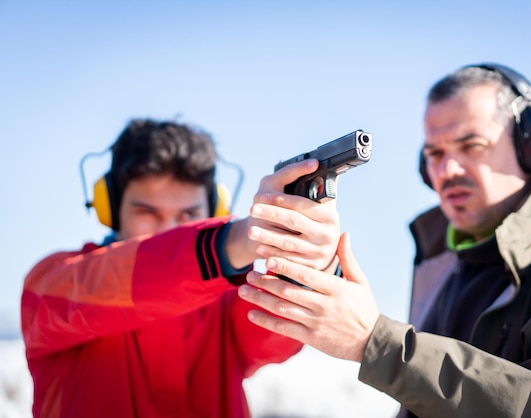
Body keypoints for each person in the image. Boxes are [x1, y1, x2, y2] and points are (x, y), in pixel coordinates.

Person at [237, 63, 531, 417]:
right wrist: (318, 264)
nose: (447, 169)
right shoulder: (448, 269)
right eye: (434, 153)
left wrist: (377, 343)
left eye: (471, 146)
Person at [21, 118, 341, 418]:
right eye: (147, 212)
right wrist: (231, 242)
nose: (169, 229)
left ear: (215, 209)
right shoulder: (53, 284)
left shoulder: (228, 299)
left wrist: (307, 260)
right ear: (111, 209)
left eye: (188, 214)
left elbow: (277, 330)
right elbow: (122, 279)